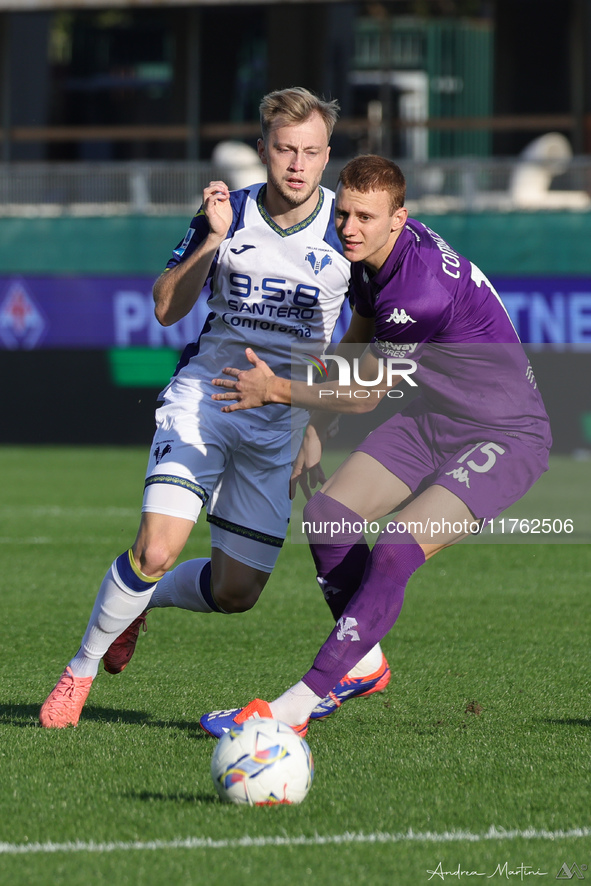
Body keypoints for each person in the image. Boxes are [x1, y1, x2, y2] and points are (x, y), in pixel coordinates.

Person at [40, 87, 393, 729]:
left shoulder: (347, 232)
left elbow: (360, 334)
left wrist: (320, 423)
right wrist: (212, 241)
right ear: (262, 150)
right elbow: (166, 306)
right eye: (285, 149)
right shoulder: (227, 214)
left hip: (278, 423)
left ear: (327, 156)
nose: (297, 163)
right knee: (155, 550)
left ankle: (140, 605)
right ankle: (80, 672)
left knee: (236, 594)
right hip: (203, 402)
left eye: (311, 152)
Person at [198, 154, 552, 737]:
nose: (350, 228)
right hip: (437, 416)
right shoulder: (371, 256)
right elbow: (358, 338)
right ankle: (361, 665)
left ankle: (296, 706)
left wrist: (275, 391)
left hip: (507, 434)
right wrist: (316, 426)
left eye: (366, 217)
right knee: (327, 515)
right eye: (343, 214)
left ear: (400, 218)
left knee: (394, 548)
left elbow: (364, 395)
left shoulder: (419, 293)